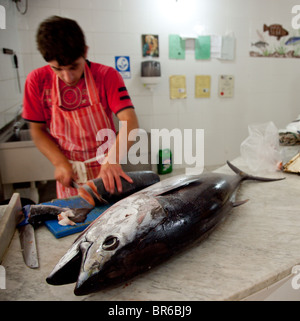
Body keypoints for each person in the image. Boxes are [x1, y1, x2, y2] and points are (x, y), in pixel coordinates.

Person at [22, 16, 139, 198]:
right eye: (58, 69)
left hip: (107, 170)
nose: (67, 77)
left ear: (85, 51)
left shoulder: (106, 76)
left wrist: (112, 159)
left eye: (74, 67)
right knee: (73, 221)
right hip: (70, 174)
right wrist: (59, 162)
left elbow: (130, 121)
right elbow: (37, 130)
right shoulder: (36, 81)